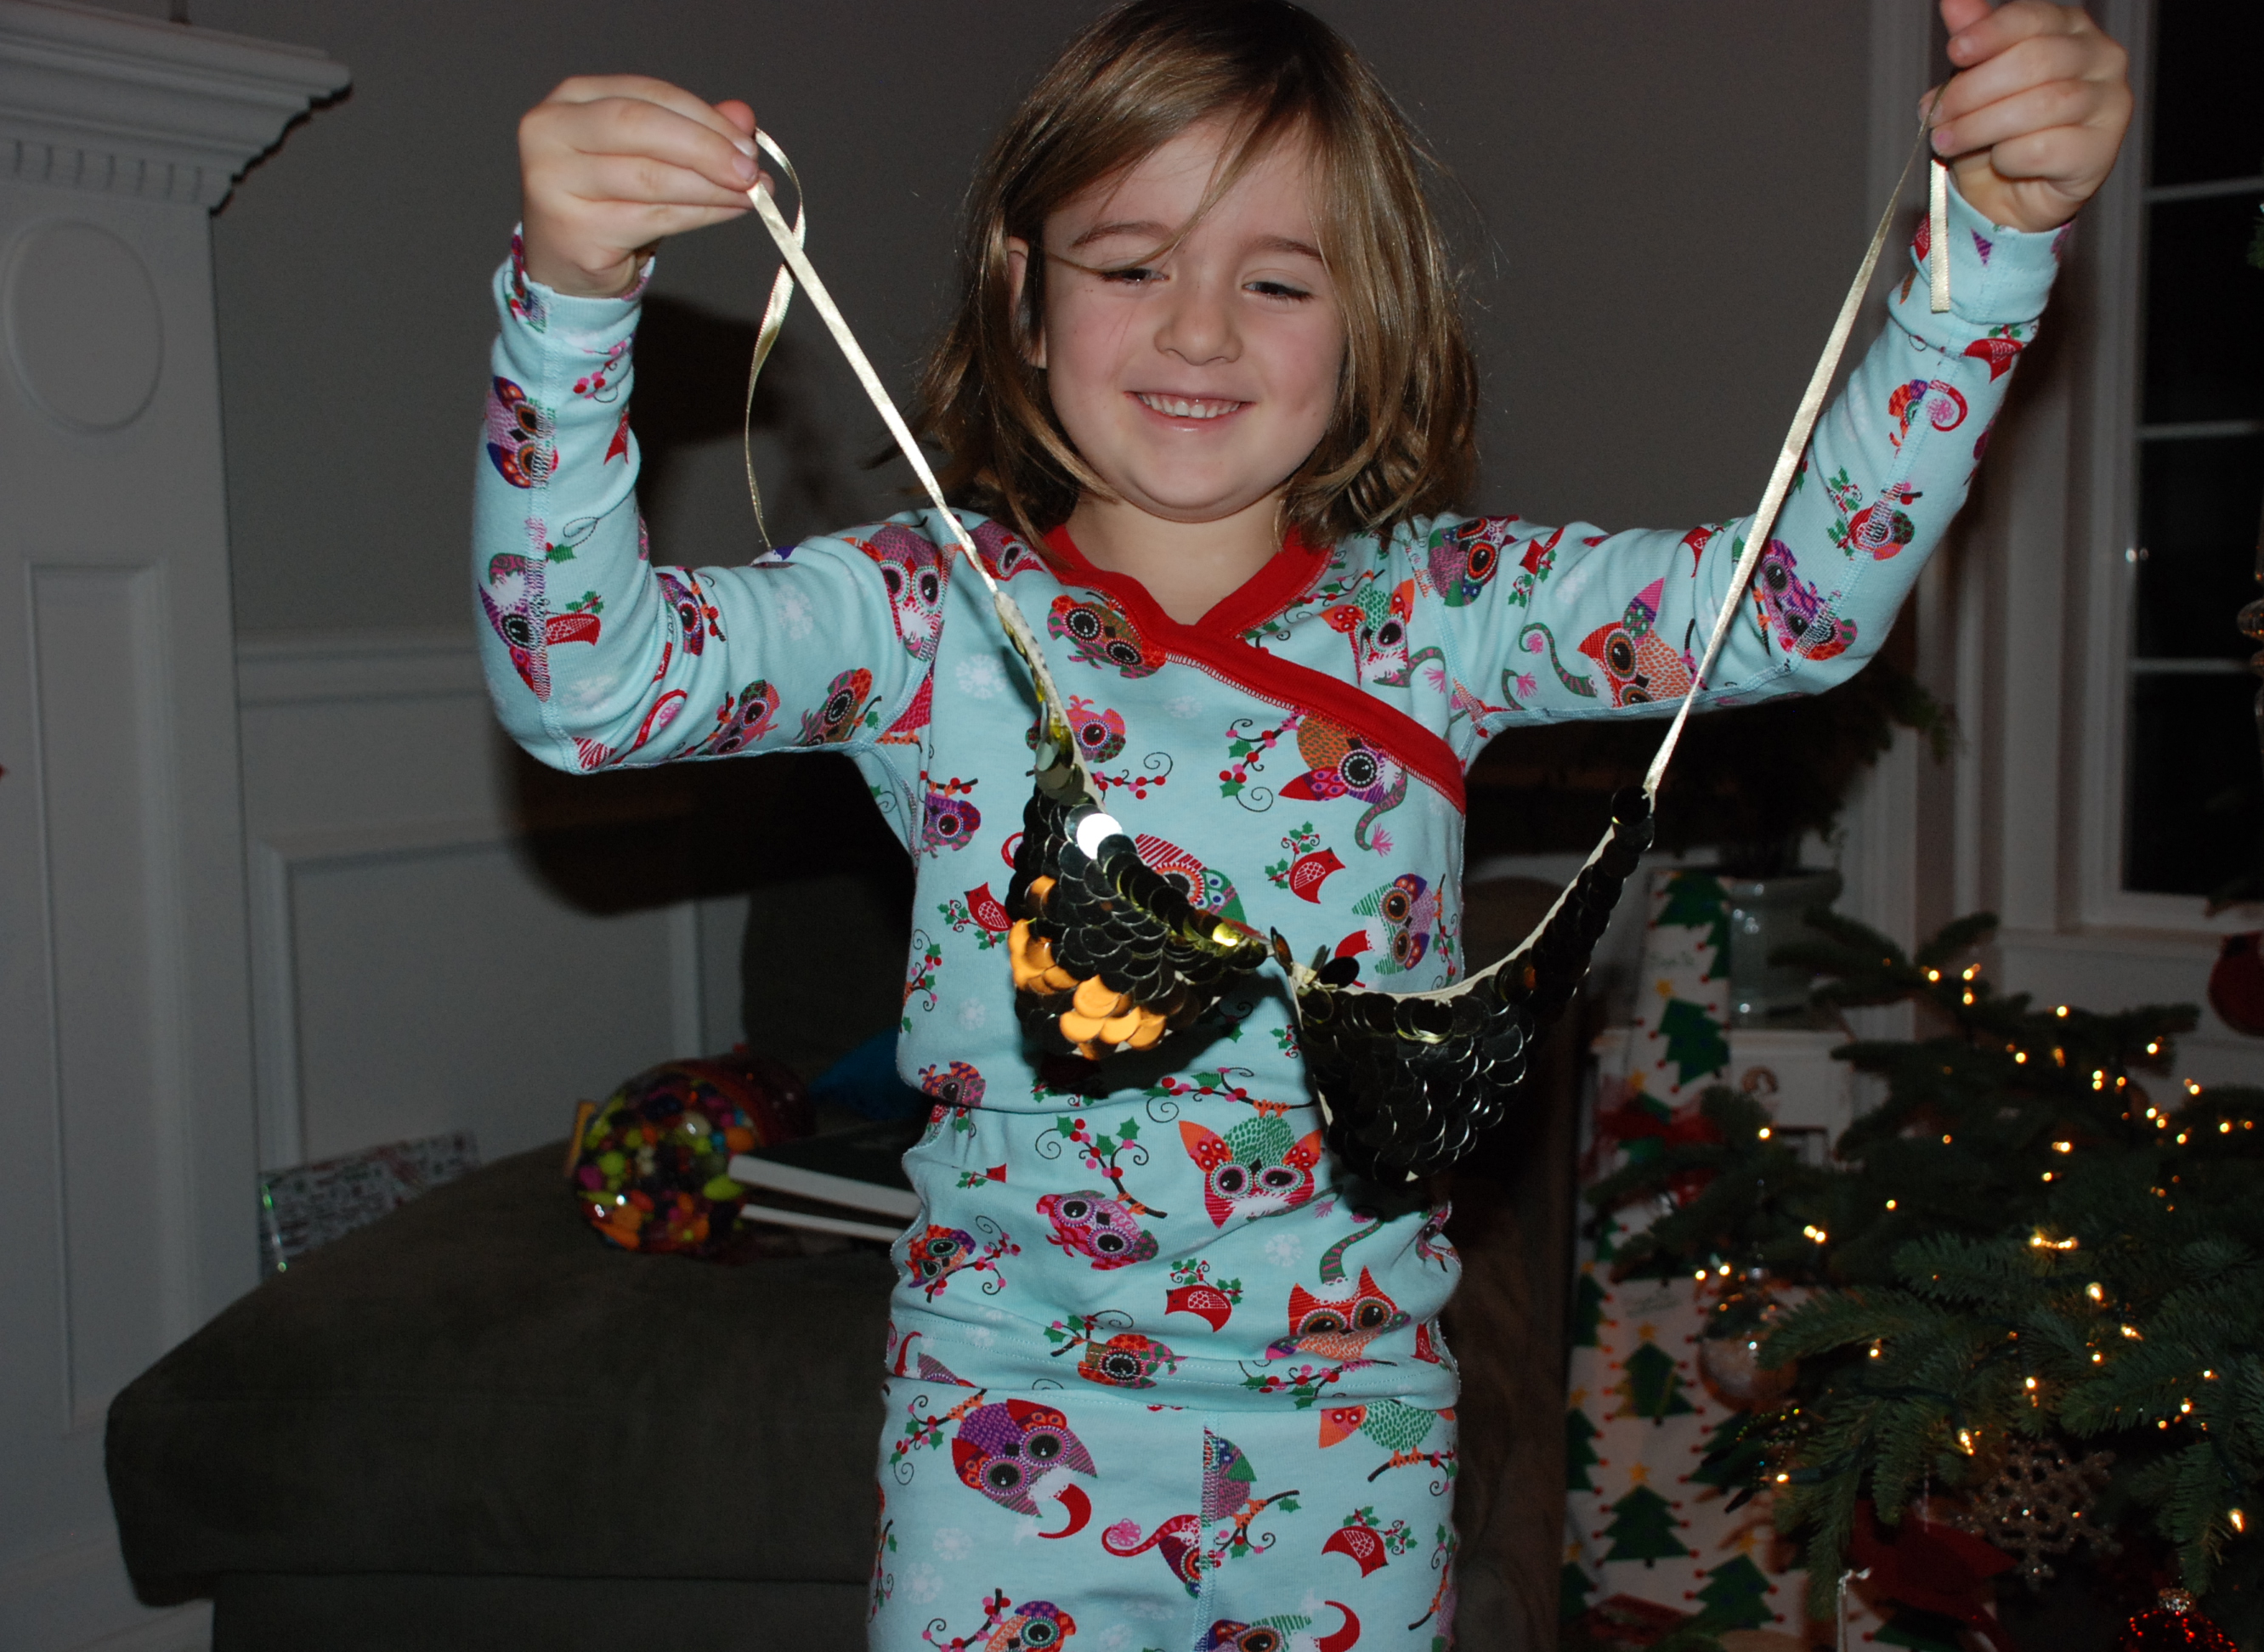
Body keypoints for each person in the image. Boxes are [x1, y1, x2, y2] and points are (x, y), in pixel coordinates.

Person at [478, 3, 2130, 1644]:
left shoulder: (1447, 613)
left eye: (1276, 281)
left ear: (1366, 327)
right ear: (1025, 299)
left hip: (1347, 1447)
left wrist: (1989, 248)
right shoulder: (919, 614)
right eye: (1133, 264)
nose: (1199, 330)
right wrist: (570, 302)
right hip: (1000, 1432)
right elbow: (584, 689)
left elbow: (1794, 611)